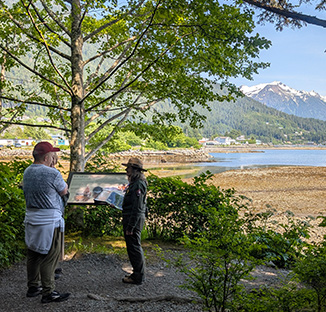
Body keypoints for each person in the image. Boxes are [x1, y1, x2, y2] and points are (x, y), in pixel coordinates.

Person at [23, 141, 70, 303]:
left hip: (31, 217)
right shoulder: (52, 173)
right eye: (52, 155)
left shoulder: (27, 172)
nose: (54, 158)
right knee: (50, 256)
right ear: (46, 157)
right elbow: (64, 190)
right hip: (50, 220)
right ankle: (49, 291)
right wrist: (54, 170)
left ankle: (33, 286)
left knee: (33, 253)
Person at [121, 158, 148, 285]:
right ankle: (137, 273)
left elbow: (137, 208)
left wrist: (131, 226)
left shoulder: (138, 184)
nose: (126, 170)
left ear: (134, 170)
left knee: (134, 248)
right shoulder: (136, 182)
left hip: (133, 220)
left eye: (129, 168)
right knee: (133, 247)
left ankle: (138, 276)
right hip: (133, 218)